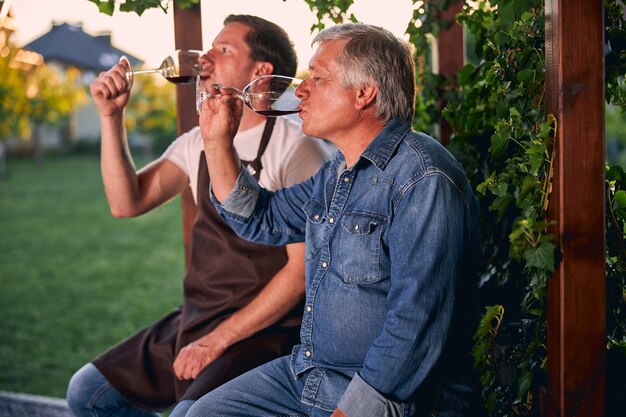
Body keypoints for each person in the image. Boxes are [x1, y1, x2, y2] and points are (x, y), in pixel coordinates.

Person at [187, 22, 484, 417]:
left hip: (396, 396)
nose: (300, 90)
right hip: (314, 375)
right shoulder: (337, 172)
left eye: (319, 77)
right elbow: (261, 218)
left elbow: (416, 324)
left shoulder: (423, 178)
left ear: (364, 93)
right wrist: (216, 141)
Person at [66, 14, 329, 417]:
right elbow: (127, 202)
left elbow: (301, 274)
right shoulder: (196, 142)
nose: (205, 59)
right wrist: (111, 117)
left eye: (224, 50)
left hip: (264, 330)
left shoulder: (296, 147)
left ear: (261, 73)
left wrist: (217, 341)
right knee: (88, 393)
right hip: (198, 316)